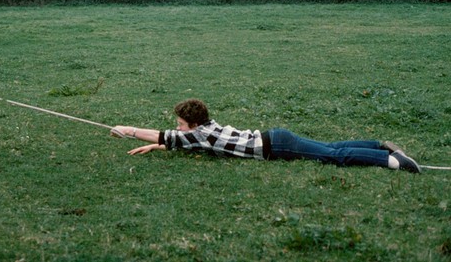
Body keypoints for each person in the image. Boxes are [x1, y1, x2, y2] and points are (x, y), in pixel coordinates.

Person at [110, 98, 421, 173]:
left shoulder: (197, 134)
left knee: (331, 156)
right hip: (275, 137)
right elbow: (176, 142)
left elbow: (164, 136)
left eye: (179, 123)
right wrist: (157, 149)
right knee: (329, 147)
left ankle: (392, 160)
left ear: (191, 124)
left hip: (277, 145)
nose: (176, 126)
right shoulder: (203, 130)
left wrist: (129, 130)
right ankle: (380, 145)